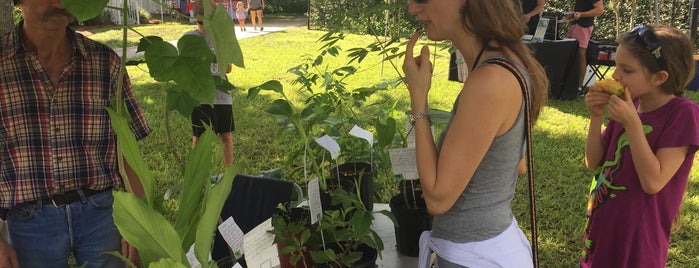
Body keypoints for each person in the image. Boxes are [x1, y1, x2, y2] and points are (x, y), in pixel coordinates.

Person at [0, 0, 150, 267]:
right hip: (28, 223)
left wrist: (138, 222)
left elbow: (127, 151)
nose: (60, 1)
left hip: (103, 213)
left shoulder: (105, 63)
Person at [403, 0, 548, 267]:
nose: (413, 8)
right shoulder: (507, 61)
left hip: (474, 255)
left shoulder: (490, 80)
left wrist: (418, 98)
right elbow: (518, 166)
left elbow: (437, 198)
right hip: (488, 244)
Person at [582, 24, 699, 267]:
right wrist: (596, 117)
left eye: (626, 70)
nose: (615, 76)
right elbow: (593, 161)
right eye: (616, 66)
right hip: (603, 227)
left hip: (639, 240)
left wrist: (632, 123)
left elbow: (653, 181)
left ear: (659, 77)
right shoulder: (630, 103)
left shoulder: (683, 114)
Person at [188, 1, 235, 168]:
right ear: (195, 20)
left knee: (226, 135)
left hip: (221, 96)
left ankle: (229, 172)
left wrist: (219, 54)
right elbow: (185, 68)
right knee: (199, 137)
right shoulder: (189, 38)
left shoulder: (221, 37)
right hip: (199, 96)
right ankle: (196, 172)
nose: (203, 27)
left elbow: (228, 69)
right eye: (200, 23)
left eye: (207, 22)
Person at [566, 0, 604, 93]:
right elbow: (579, 7)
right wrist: (570, 15)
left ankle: (579, 86)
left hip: (584, 26)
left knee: (580, 54)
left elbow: (600, 10)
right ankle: (569, 83)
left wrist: (581, 14)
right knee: (570, 53)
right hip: (575, 24)